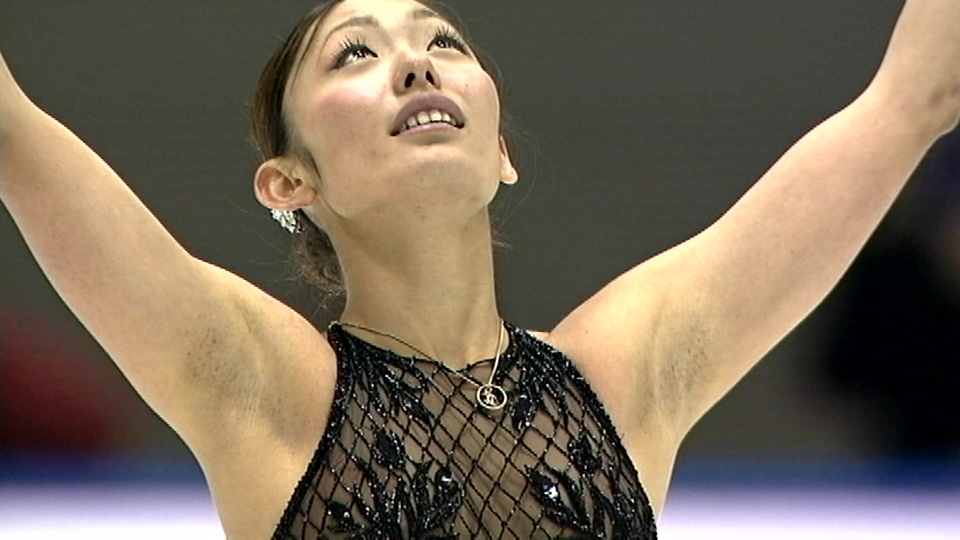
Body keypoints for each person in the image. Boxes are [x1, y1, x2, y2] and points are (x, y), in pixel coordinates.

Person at [1, 0, 957, 537]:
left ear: (502, 151)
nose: (416, 66)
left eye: (443, 42)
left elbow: (917, 95)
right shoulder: (261, 387)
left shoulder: (620, 377)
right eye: (355, 55)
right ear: (291, 180)